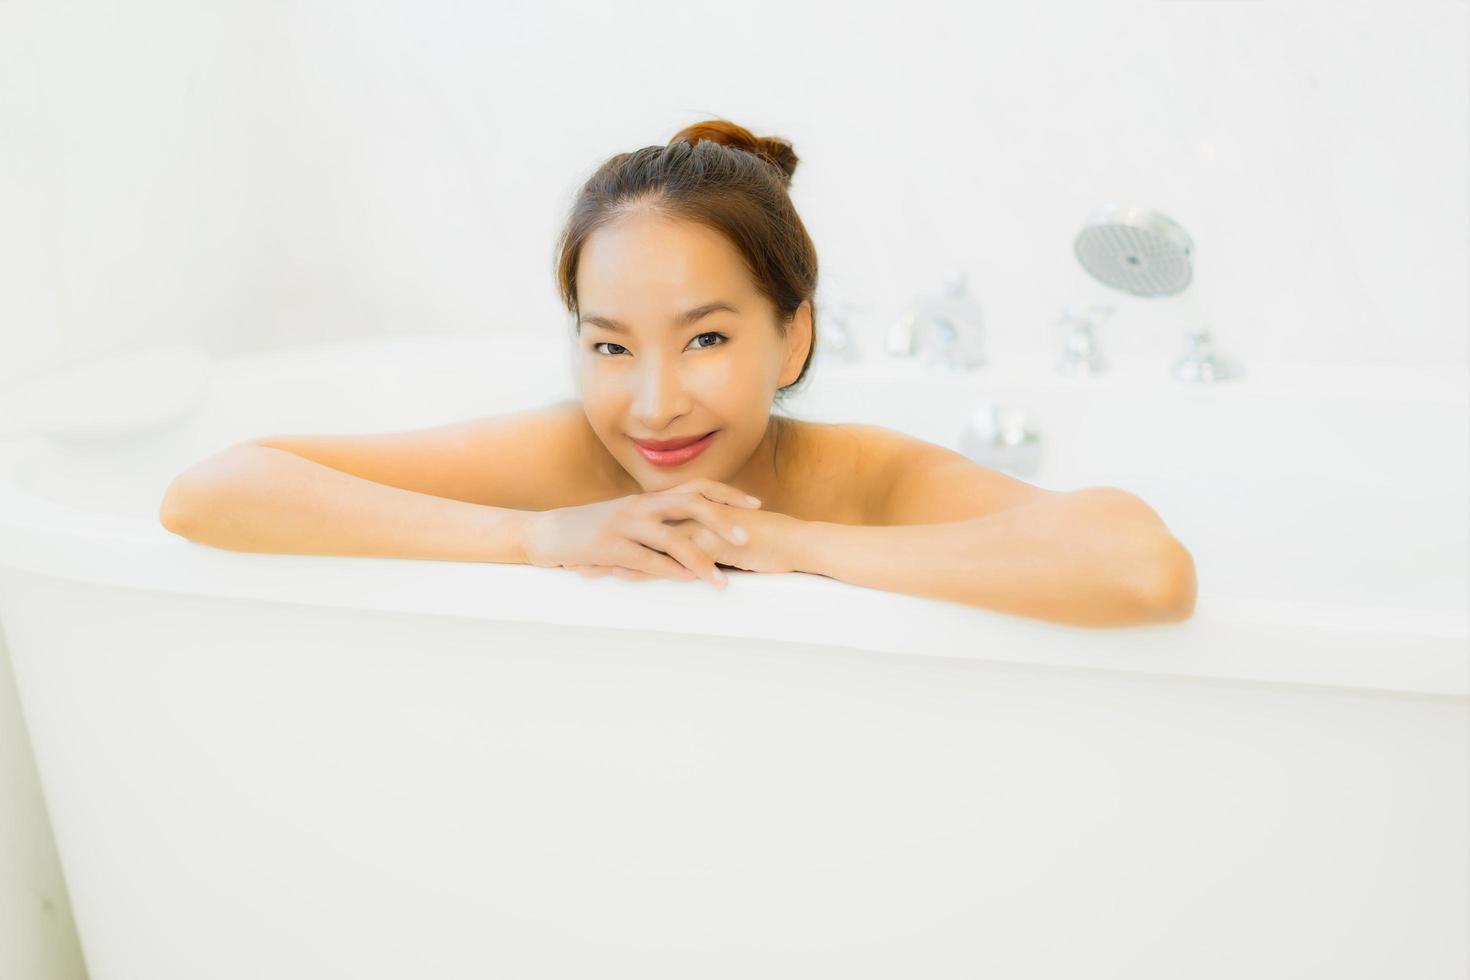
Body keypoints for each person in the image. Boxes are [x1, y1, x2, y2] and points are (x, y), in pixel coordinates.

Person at [160, 118, 1195, 626]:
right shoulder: (562, 453)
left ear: (792, 338)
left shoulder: (865, 477)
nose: (652, 403)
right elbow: (210, 490)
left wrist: (785, 542)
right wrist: (534, 534)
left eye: (705, 338)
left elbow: (1143, 568)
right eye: (609, 344)